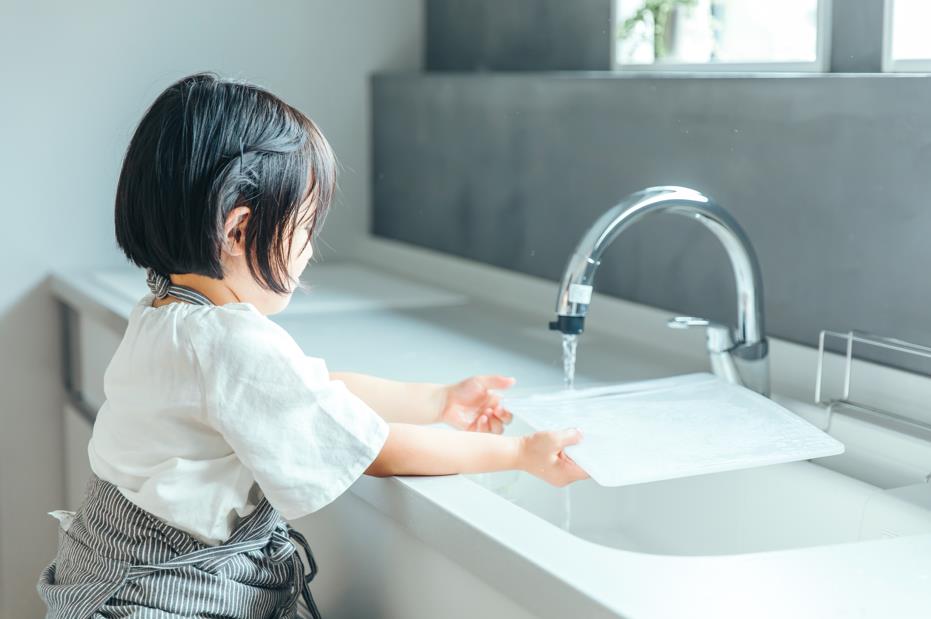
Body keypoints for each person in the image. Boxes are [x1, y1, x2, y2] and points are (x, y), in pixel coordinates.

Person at [37, 72, 587, 618]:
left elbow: (316, 391)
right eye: (304, 228)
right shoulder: (231, 342)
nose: (308, 252)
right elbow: (375, 450)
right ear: (237, 231)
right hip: (165, 599)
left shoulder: (165, 312)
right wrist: (517, 453)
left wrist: (437, 401)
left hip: (105, 577)